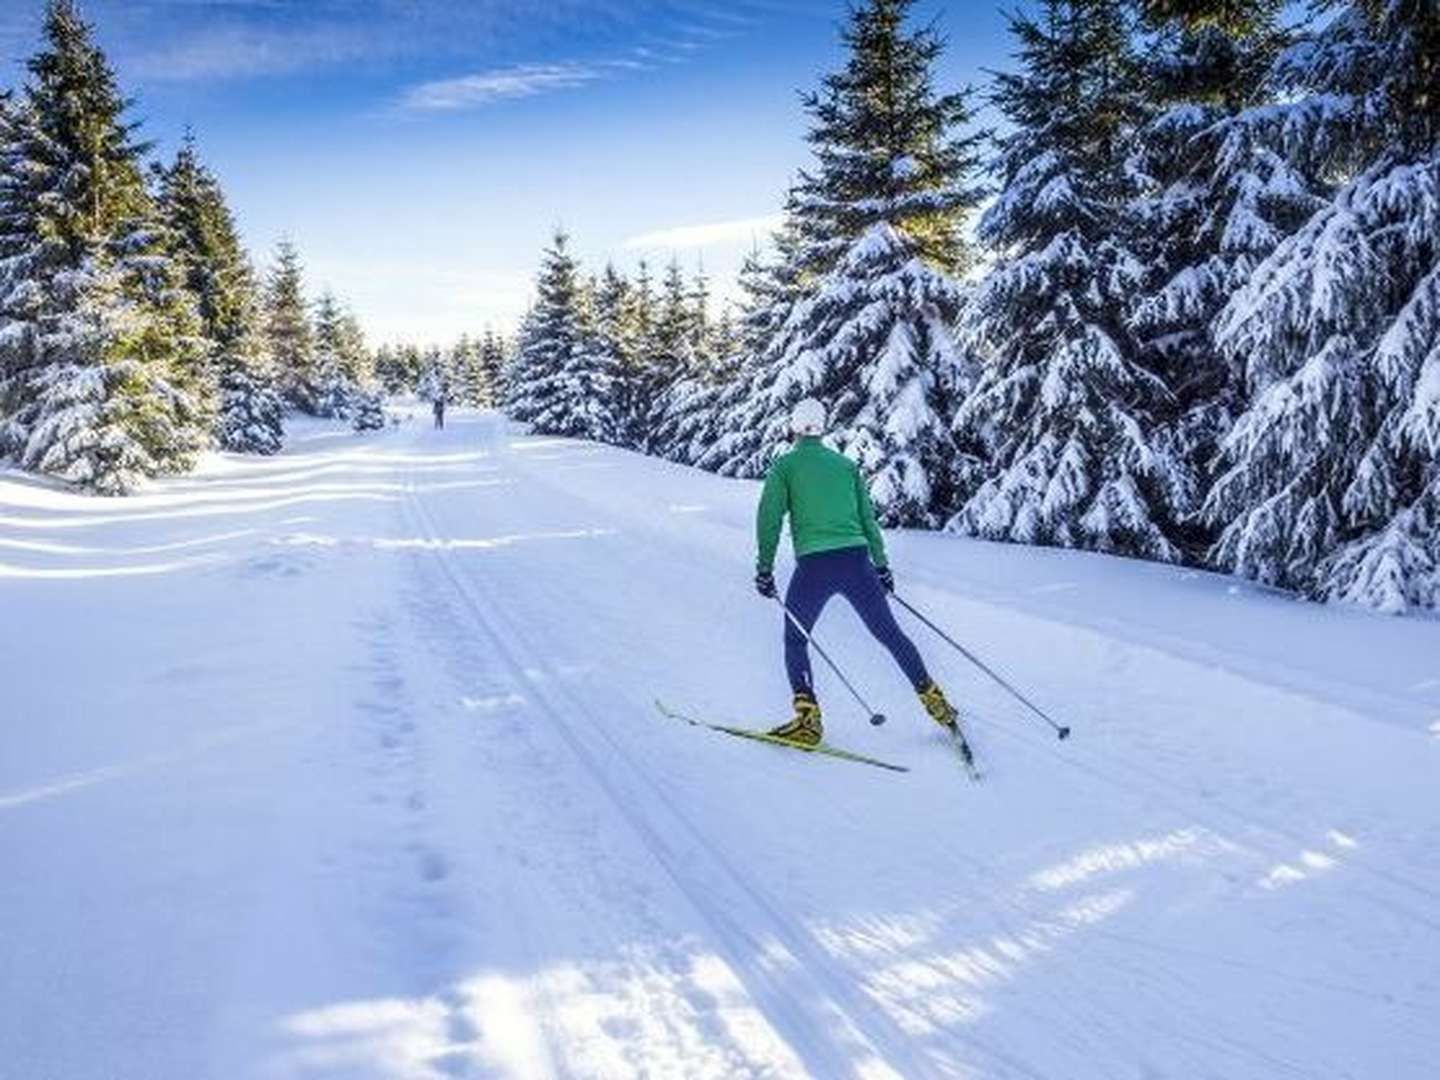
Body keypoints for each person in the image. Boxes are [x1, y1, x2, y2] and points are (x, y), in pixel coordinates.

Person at [754, 398, 960, 746]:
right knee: (890, 633)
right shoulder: (846, 466)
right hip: (857, 562)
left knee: (796, 638)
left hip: (814, 566)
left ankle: (808, 720)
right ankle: (936, 702)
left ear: (794, 426)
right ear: (823, 426)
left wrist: (764, 567)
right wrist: (881, 566)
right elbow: (868, 521)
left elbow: (769, 518)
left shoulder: (785, 466)